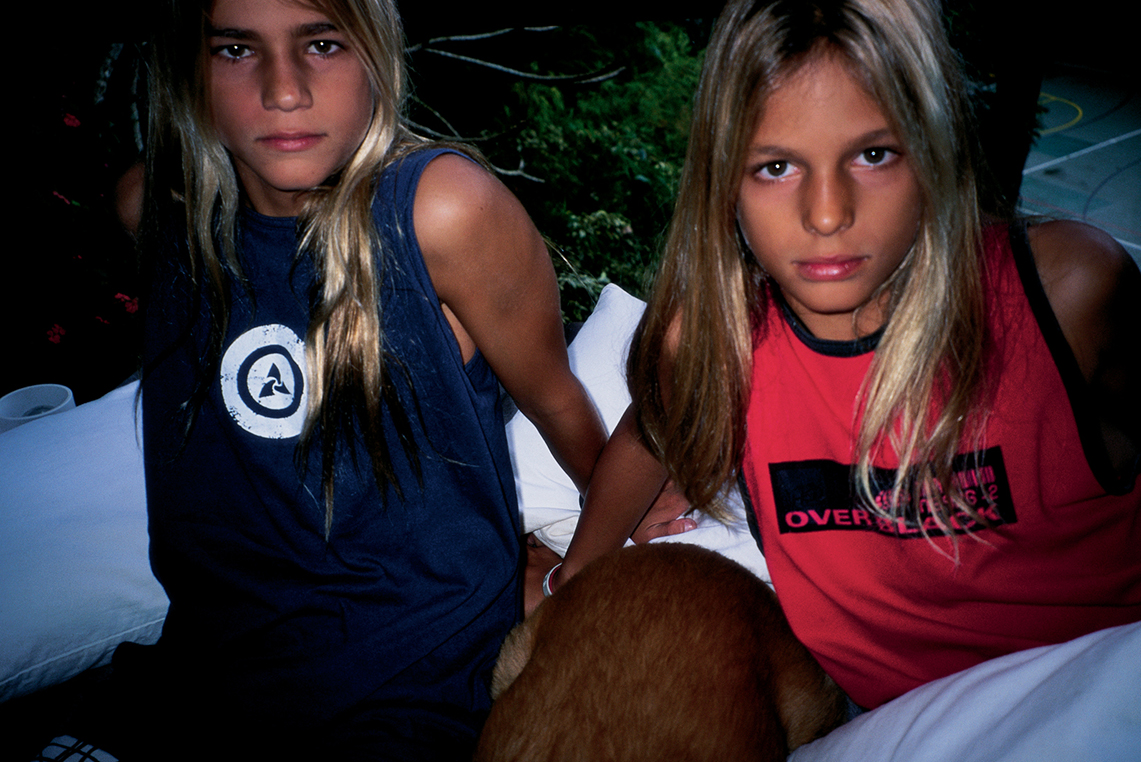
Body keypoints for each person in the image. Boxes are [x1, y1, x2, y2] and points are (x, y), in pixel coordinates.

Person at [541, 0, 1141, 714]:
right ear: (721, 183)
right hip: (880, 719)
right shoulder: (715, 344)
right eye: (774, 167)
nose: (826, 214)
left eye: (873, 154)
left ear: (933, 150)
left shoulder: (1065, 298)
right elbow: (651, 429)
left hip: (1095, 693)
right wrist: (570, 577)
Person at [101, 0, 607, 757]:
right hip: (197, 675)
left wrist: (605, 529)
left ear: (377, 52)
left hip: (410, 683)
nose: (283, 90)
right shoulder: (159, 212)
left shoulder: (442, 212)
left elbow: (555, 398)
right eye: (236, 50)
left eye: (323, 44)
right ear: (188, 71)